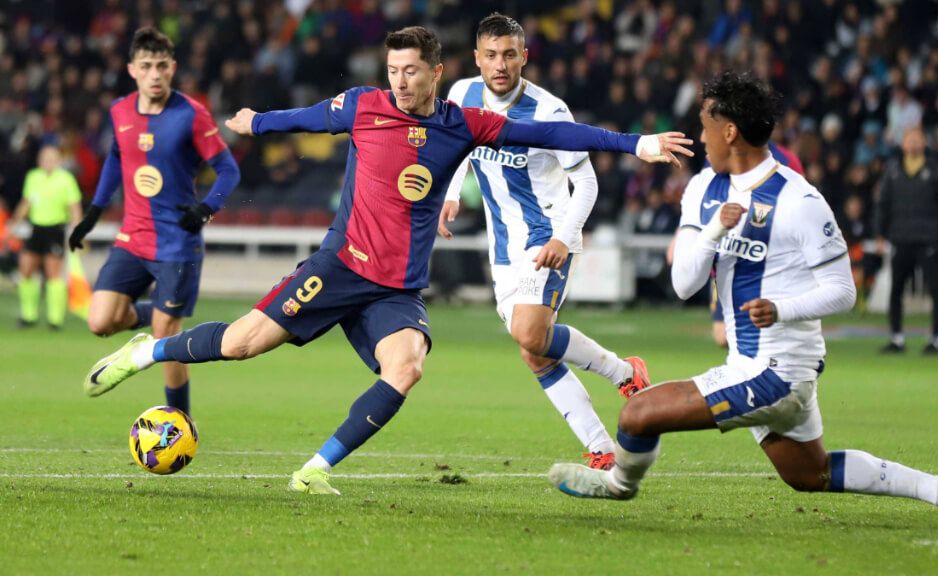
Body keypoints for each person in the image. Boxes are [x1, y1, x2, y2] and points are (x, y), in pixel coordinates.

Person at [82, 26, 692, 496]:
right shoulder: (363, 106)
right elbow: (310, 117)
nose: (400, 82)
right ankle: (146, 350)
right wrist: (256, 122)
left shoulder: (465, 124)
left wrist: (636, 143)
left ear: (436, 73)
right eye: (394, 70)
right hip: (339, 267)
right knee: (241, 344)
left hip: (396, 289)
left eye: (411, 71)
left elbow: (558, 138)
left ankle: (313, 471)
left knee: (406, 368)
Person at [548, 72, 938, 531]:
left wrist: (781, 309)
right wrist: (715, 230)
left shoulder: (800, 200)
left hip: (780, 370)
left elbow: (844, 291)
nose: (700, 136)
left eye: (705, 125)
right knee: (807, 474)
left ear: (729, 131)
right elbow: (683, 285)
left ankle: (617, 485)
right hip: (750, 363)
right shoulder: (703, 190)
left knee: (637, 414)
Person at [437, 13, 648, 471]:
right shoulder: (460, 95)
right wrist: (450, 194)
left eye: (509, 54)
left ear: (524, 57)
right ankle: (603, 445)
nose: (500, 64)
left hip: (546, 235)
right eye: (491, 55)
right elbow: (457, 148)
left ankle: (620, 373)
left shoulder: (549, 111)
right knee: (534, 352)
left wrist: (563, 237)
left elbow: (586, 183)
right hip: (504, 248)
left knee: (530, 334)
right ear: (477, 58)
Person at [68, 27, 240, 416]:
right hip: (133, 237)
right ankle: (160, 316)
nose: (155, 74)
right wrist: (94, 211)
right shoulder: (120, 111)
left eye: (162, 66)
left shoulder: (192, 114)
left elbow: (228, 170)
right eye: (147, 66)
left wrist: (205, 208)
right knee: (99, 321)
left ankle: (180, 421)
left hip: (177, 243)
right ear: (132, 70)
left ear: (173, 68)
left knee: (167, 338)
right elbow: (116, 157)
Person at [669, 140, 803, 349]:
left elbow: (798, 203)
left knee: (759, 327)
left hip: (767, 259)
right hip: (728, 253)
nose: (704, 137)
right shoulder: (717, 157)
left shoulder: (785, 159)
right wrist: (684, 234)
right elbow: (704, 201)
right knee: (723, 334)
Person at [875, 125, 938, 355]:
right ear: (903, 144)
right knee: (896, 290)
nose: (913, 144)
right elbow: (882, 204)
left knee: (935, 290)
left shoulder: (935, 170)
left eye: (917, 139)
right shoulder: (893, 170)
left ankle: (935, 340)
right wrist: (880, 234)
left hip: (928, 239)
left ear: (924, 143)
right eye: (909, 139)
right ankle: (896, 338)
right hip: (901, 238)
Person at [9, 144, 82, 329]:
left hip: (55, 229)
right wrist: (14, 223)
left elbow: (74, 206)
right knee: (25, 269)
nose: (48, 162)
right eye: (44, 158)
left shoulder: (66, 179)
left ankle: (54, 319)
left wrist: (78, 229)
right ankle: (28, 315)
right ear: (39, 160)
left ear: (58, 160)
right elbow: (26, 203)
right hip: (36, 228)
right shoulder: (33, 177)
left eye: (52, 158)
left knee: (53, 273)